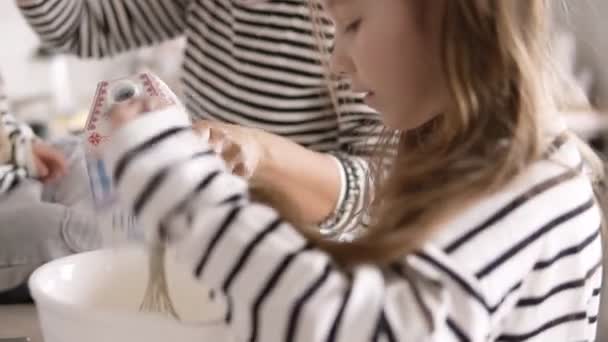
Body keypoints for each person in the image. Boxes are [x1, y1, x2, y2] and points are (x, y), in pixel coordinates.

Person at [104, 0, 604, 340]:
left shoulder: (518, 187)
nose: (337, 62)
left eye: (354, 24)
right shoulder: (470, 165)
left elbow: (361, 329)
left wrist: (187, 194)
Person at [16, 0, 381, 240]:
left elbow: (380, 192)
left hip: (303, 262)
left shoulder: (353, 20)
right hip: (212, 237)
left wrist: (261, 155)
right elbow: (83, 28)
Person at [0, 72, 100, 303]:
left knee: (80, 151)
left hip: (17, 173)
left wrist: (25, 144)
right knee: (73, 233)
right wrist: (16, 152)